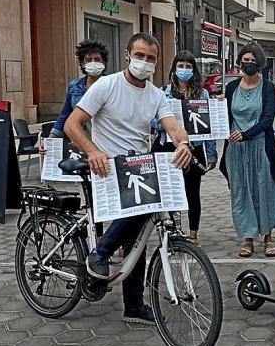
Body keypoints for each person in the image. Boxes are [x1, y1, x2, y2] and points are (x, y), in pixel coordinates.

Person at [64, 33, 192, 325]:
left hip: (137, 167)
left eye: (151, 58)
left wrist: (182, 143)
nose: (145, 63)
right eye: (140, 56)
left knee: (140, 237)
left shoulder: (157, 96)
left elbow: (173, 126)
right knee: (141, 214)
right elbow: (73, 124)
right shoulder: (107, 86)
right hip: (106, 168)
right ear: (127, 55)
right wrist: (93, 151)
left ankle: (133, 305)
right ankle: (101, 252)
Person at [220, 42, 275, 258]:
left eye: (253, 60)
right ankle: (248, 237)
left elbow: (268, 119)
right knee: (242, 192)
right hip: (236, 151)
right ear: (240, 61)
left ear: (260, 63)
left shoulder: (267, 88)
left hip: (261, 147)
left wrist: (247, 134)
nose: (248, 64)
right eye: (245, 60)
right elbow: (226, 118)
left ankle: (268, 236)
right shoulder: (231, 88)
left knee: (264, 190)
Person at [152, 50, 217, 245]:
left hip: (193, 148)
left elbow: (208, 126)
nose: (184, 70)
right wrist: (167, 124)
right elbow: (153, 121)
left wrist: (211, 153)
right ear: (174, 68)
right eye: (181, 66)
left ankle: (193, 233)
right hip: (167, 147)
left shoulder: (202, 93)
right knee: (171, 191)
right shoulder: (163, 93)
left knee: (192, 191)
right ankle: (173, 229)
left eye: (188, 66)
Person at [50, 40, 109, 138]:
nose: (93, 63)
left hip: (106, 140)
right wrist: (51, 137)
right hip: (81, 141)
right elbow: (65, 114)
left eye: (97, 59)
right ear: (82, 63)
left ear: (103, 62)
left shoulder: (111, 85)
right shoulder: (75, 86)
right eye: (88, 60)